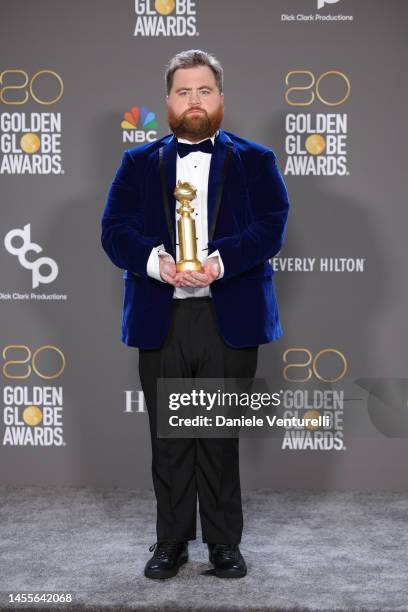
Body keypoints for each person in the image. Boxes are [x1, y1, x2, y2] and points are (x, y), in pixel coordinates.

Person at [101, 49, 290, 579]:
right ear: (167, 101)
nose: (194, 101)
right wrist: (158, 264)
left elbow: (272, 225)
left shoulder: (256, 160)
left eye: (204, 90)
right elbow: (113, 231)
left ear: (221, 97)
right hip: (161, 317)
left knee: (219, 435)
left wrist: (219, 263)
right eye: (183, 91)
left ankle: (225, 545)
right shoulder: (137, 163)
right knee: (169, 438)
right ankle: (172, 542)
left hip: (227, 317)